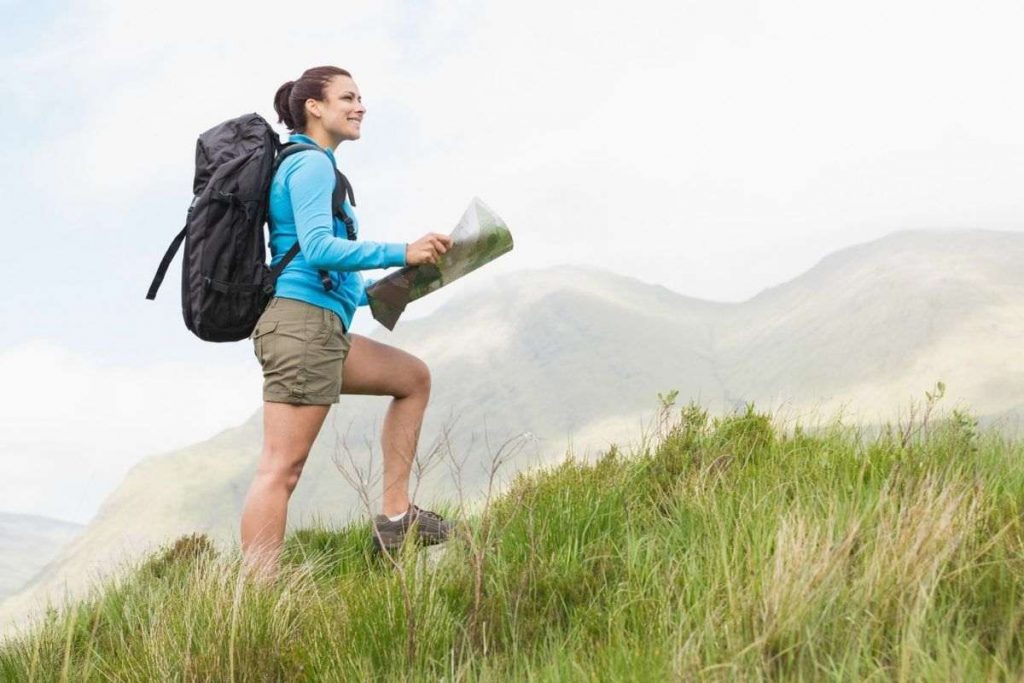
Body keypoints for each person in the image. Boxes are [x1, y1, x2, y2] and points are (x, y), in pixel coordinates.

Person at [240, 65, 454, 574]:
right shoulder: (311, 165)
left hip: (320, 325)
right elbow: (316, 249)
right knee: (281, 470)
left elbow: (322, 268)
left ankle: (397, 517)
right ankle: (256, 601)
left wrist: (405, 279)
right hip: (300, 328)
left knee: (412, 378)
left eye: (360, 98)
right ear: (314, 107)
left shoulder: (312, 166)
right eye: (348, 97)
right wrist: (402, 248)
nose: (360, 106)